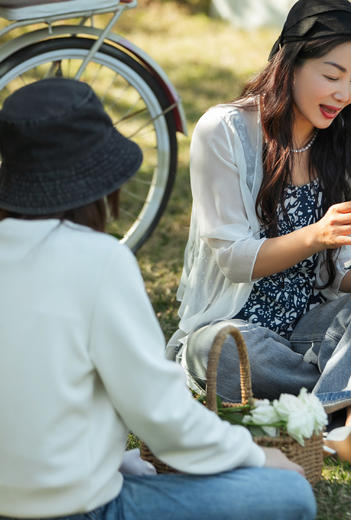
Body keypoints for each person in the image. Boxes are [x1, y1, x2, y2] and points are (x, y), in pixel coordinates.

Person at [0, 78, 316, 520]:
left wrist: (111, 463)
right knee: (287, 494)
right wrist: (257, 456)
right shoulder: (99, 259)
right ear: (101, 184)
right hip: (74, 508)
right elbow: (160, 415)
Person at [167, 0, 351, 469]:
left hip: (310, 326)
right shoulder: (226, 131)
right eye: (333, 74)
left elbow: (339, 276)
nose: (344, 94)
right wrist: (317, 234)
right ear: (291, 62)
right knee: (214, 353)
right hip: (235, 324)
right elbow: (235, 259)